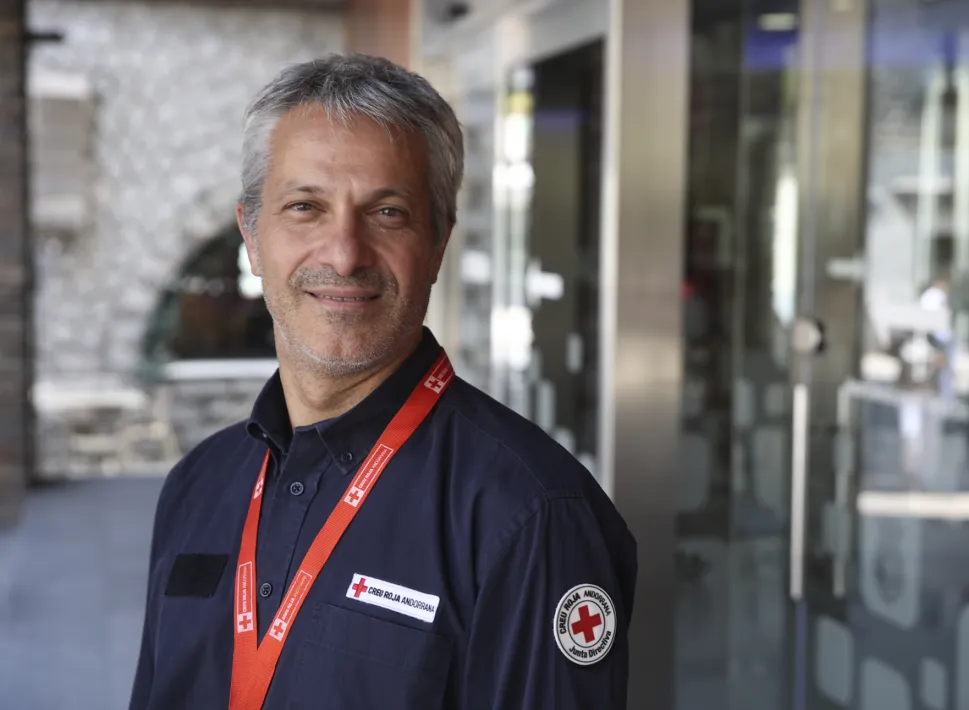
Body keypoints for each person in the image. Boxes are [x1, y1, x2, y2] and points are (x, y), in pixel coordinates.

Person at [127, 54, 637, 710]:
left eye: (388, 213)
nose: (344, 254)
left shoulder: (532, 516)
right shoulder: (197, 485)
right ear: (252, 237)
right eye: (305, 207)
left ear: (438, 243)